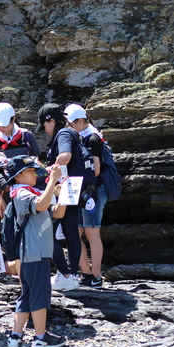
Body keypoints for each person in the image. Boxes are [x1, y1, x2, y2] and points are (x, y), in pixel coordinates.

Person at [4, 156, 67, 347]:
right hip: (34, 251)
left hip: (34, 252)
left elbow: (57, 213)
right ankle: (40, 338)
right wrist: (53, 181)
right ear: (18, 176)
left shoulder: (32, 192)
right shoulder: (21, 193)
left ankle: (15, 337)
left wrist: (63, 193)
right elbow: (40, 205)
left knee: (28, 294)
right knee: (40, 294)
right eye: (30, 171)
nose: (34, 174)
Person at [37, 103, 93, 291]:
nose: (45, 131)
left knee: (48, 231)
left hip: (64, 189)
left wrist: (47, 170)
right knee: (71, 233)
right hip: (74, 189)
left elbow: (66, 156)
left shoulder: (63, 134)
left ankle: (64, 274)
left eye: (45, 126)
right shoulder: (73, 133)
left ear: (51, 121)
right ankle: (72, 276)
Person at [64, 104, 108, 289]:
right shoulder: (82, 136)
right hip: (83, 192)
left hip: (93, 192)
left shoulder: (90, 138)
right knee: (78, 232)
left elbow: (95, 170)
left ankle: (96, 276)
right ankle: (86, 273)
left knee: (92, 233)